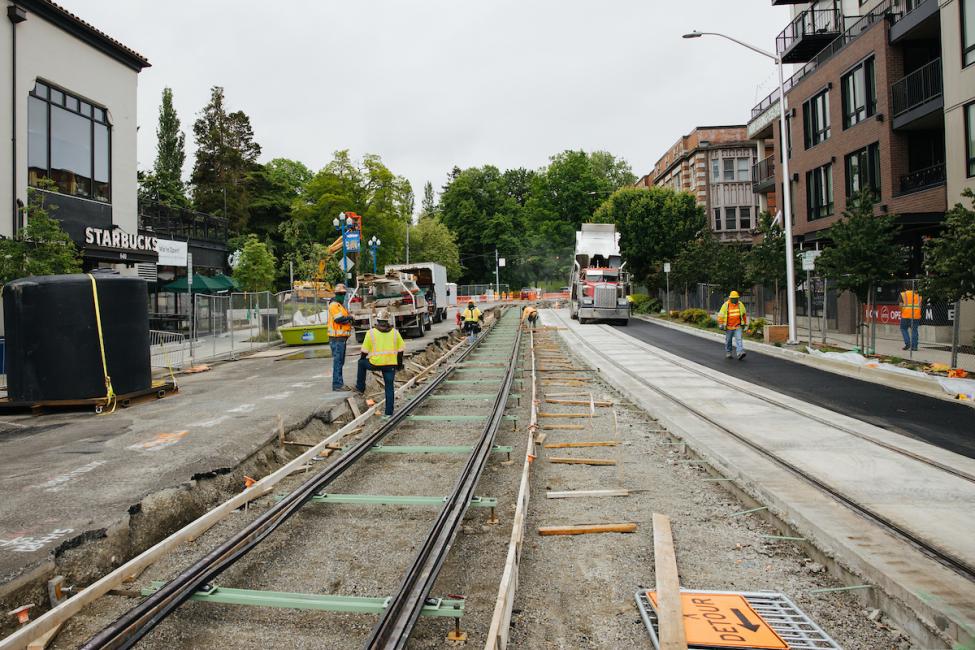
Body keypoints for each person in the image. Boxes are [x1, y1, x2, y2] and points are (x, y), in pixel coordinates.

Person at [356, 309, 405, 417]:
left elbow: (364, 352)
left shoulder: (371, 333)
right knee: (389, 387)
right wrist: (399, 365)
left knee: (361, 363)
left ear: (377, 320)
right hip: (390, 365)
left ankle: (360, 387)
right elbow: (401, 351)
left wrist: (362, 360)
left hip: (375, 363)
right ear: (388, 320)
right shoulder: (395, 333)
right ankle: (389, 413)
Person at [327, 283, 354, 391]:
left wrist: (349, 318)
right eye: (342, 294)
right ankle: (337, 385)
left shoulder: (339, 305)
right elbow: (339, 319)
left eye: (344, 294)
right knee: (338, 361)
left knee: (340, 361)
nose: (343, 296)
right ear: (337, 294)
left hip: (340, 339)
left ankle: (339, 383)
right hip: (336, 338)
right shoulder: (334, 305)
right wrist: (349, 317)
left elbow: (344, 318)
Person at [717, 291, 748, 360]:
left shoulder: (740, 305)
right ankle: (729, 352)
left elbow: (744, 315)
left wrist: (745, 324)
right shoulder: (726, 305)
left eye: (736, 298)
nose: (735, 300)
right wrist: (721, 323)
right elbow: (721, 315)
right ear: (730, 298)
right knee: (728, 341)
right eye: (733, 298)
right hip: (729, 327)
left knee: (739, 339)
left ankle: (740, 353)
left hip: (738, 326)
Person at [899, 287, 922, 351]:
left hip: (906, 315)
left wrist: (902, 312)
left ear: (906, 288)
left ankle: (908, 343)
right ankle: (914, 346)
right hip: (916, 315)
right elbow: (920, 305)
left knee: (903, 328)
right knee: (914, 330)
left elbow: (900, 305)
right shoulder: (918, 294)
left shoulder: (903, 294)